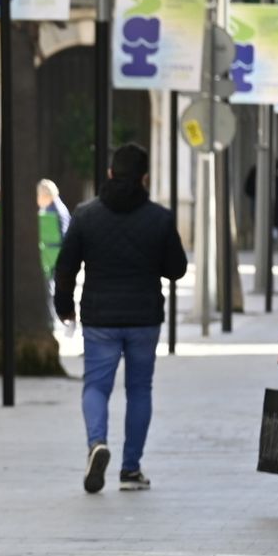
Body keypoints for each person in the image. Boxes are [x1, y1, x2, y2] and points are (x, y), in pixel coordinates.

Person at [54, 143, 188, 495]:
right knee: (139, 389)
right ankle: (131, 469)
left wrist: (64, 306)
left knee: (96, 385)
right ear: (145, 178)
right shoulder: (160, 218)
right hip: (144, 317)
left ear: (110, 173)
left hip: (100, 316)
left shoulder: (86, 215)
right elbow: (177, 269)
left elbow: (66, 267)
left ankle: (97, 443)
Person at [244, 160, 278, 251]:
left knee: (268, 227)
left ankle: (271, 246)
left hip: (266, 208)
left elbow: (248, 189)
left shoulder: (257, 173)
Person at [36, 178, 69, 281]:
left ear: (45, 196)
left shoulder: (52, 212)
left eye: (38, 195)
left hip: (53, 257)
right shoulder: (57, 207)